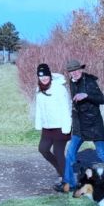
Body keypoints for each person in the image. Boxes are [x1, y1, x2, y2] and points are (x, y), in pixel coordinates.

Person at [63, 59, 104, 190]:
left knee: (102, 154)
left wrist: (86, 95)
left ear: (80, 69)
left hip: (93, 124)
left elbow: (102, 99)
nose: (74, 73)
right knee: (70, 153)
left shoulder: (90, 81)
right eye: (71, 71)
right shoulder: (72, 82)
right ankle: (70, 183)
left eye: (76, 70)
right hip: (79, 126)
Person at [33, 63, 71, 192]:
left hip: (60, 126)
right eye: (41, 76)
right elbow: (39, 108)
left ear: (49, 75)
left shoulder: (59, 88)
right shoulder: (39, 89)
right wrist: (39, 124)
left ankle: (67, 182)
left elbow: (66, 108)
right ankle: (62, 171)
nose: (43, 78)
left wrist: (67, 127)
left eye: (45, 75)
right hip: (47, 126)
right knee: (43, 149)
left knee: (58, 153)